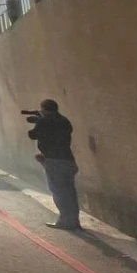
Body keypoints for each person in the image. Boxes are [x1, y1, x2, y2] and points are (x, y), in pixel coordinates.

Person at [27, 99, 81, 231]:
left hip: (54, 161)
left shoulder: (44, 121)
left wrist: (39, 120)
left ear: (44, 110)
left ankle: (65, 221)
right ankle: (74, 221)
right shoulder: (64, 121)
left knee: (59, 191)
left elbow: (32, 135)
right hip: (68, 160)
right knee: (70, 192)